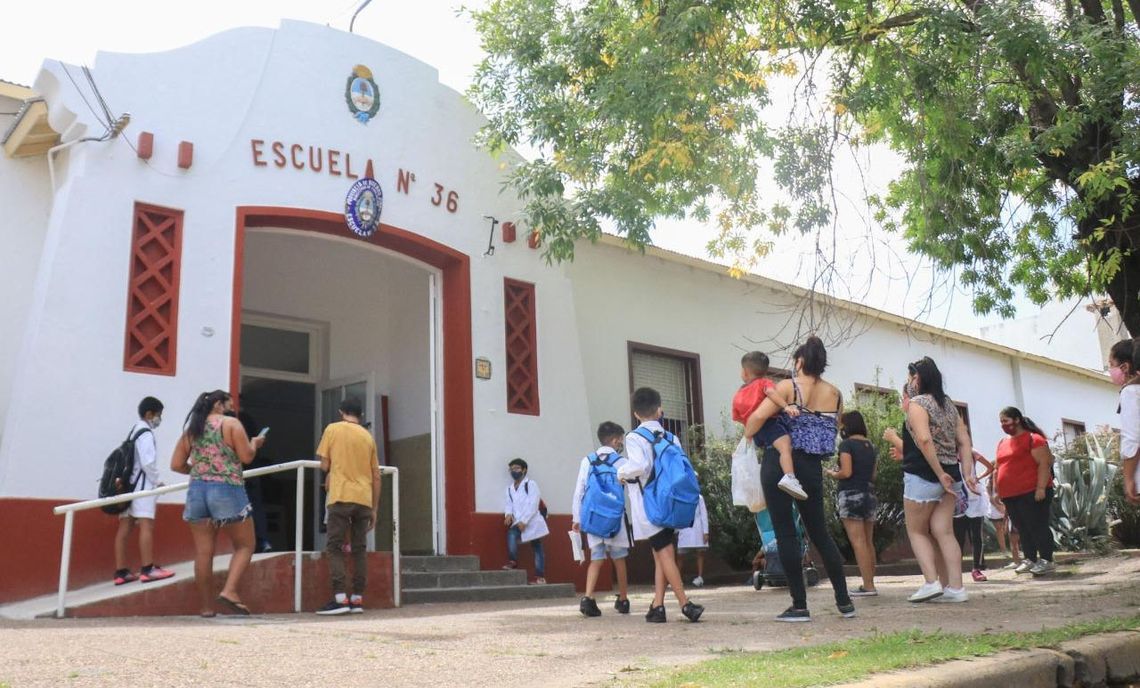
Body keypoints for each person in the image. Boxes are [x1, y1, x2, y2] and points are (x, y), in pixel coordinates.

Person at [744, 336, 854, 622]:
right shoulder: (836, 394)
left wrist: (749, 431)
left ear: (800, 361)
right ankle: (844, 601)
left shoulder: (787, 387)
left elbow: (756, 419)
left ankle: (799, 605)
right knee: (819, 532)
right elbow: (834, 426)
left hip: (780, 462)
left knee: (786, 533)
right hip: (812, 467)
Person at [170, 390, 265, 617]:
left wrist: (201, 470)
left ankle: (206, 608)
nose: (231, 407)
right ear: (218, 404)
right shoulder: (231, 424)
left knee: (203, 552)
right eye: (228, 403)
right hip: (226, 488)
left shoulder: (193, 429)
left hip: (197, 491)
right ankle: (230, 591)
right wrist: (255, 443)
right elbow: (246, 457)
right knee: (245, 545)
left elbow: (176, 464)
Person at [619, 387, 704, 623]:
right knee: (662, 555)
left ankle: (685, 604)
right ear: (660, 410)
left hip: (649, 505)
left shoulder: (634, 437)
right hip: (671, 501)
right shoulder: (671, 437)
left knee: (664, 554)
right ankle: (657, 606)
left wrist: (621, 472)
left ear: (636, 414)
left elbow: (639, 466)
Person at [897, 357, 977, 603]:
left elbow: (923, 440)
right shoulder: (949, 405)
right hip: (951, 475)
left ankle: (931, 582)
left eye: (911, 377)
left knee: (916, 530)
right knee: (944, 532)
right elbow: (964, 442)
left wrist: (937, 471)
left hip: (923, 474)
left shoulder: (918, 404)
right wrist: (967, 473)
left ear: (917, 378)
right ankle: (956, 588)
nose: (909, 382)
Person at [314, 398, 381, 615]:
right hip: (364, 498)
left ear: (341, 411)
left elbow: (325, 464)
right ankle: (358, 598)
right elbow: (376, 475)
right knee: (359, 549)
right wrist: (374, 508)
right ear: (360, 415)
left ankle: (340, 598)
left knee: (334, 547)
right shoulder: (367, 436)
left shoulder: (332, 429)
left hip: (341, 496)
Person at [113, 396, 176, 586]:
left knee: (125, 528)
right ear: (150, 414)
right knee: (146, 526)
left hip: (128, 486)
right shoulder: (146, 433)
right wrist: (157, 482)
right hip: (142, 487)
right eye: (159, 415)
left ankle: (121, 571)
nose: (159, 419)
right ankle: (148, 569)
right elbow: (148, 462)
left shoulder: (134, 431)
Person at [571, 422, 632, 617]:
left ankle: (588, 598)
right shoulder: (622, 463)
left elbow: (579, 491)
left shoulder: (587, 461)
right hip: (616, 520)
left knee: (596, 559)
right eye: (620, 440)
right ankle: (623, 599)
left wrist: (576, 517)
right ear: (615, 440)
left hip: (593, 518)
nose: (621, 443)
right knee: (619, 559)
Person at [733, 351, 806, 499]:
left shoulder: (740, 392)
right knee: (785, 446)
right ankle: (789, 477)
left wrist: (748, 432)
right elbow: (772, 393)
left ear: (745, 373)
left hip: (755, 433)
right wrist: (786, 407)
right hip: (769, 424)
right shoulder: (764, 383)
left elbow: (737, 415)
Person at [992, 407, 1056, 576]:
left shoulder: (1033, 439)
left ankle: (1047, 560)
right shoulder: (1002, 442)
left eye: (1005, 421)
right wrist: (998, 491)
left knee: (1037, 525)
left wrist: (1041, 488)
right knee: (1022, 527)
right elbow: (998, 468)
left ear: (1017, 419)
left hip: (1032, 491)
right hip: (1011, 494)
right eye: (1001, 422)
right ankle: (1030, 558)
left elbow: (1044, 463)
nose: (1003, 425)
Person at [825, 410, 878, 597]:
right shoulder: (870, 445)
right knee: (868, 541)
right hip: (869, 493)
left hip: (850, 494)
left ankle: (868, 586)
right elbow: (873, 475)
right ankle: (870, 582)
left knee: (858, 542)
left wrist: (833, 473)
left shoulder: (847, 445)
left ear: (847, 425)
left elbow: (846, 472)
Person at [503, 458, 549, 584]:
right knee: (511, 534)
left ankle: (540, 577)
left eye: (517, 468)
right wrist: (508, 514)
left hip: (532, 521)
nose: (514, 471)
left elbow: (533, 504)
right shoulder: (509, 488)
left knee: (537, 546)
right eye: (511, 469)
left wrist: (524, 521)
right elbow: (509, 504)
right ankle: (513, 561)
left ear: (524, 470)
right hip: (518, 521)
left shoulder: (531, 484)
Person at [1109, 339, 1140, 505]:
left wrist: (1128, 478)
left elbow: (1133, 438)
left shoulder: (1130, 393)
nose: (1109, 369)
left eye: (1111, 364)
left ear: (1126, 367)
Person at [956, 451, 994, 582]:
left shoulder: (971, 452)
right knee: (958, 537)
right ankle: (954, 571)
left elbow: (990, 466)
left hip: (974, 497)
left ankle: (976, 569)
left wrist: (978, 478)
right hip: (958, 497)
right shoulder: (947, 453)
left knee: (976, 535)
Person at [676, 493, 709, 587]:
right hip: (684, 528)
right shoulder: (680, 495)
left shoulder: (699, 497)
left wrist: (706, 532)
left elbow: (703, 514)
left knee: (700, 553)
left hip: (698, 529)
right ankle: (677, 579)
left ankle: (700, 577)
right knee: (680, 555)